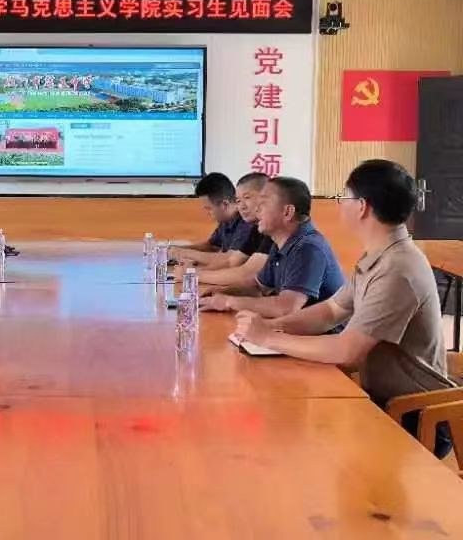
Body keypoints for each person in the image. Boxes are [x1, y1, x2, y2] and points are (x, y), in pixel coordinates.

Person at [233, 160, 454, 457]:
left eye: (343, 198)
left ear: (362, 207)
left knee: (296, 447)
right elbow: (332, 310)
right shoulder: (380, 255)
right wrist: (273, 326)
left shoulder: (398, 268)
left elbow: (347, 350)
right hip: (384, 401)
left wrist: (268, 338)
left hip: (414, 416)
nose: (340, 205)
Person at [201, 177, 345, 318]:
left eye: (263, 203)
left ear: (287, 212)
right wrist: (221, 292)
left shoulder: (308, 248)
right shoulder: (280, 242)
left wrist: (229, 301)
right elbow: (259, 287)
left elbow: (286, 308)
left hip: (324, 333)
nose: (256, 209)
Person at [194, 172, 272, 293]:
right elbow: (232, 262)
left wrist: (193, 275)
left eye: (247, 198)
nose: (241, 207)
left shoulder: (276, 229)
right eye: (238, 201)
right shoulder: (258, 228)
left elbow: (247, 274)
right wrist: (194, 272)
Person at [170, 172, 255, 270]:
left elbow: (230, 259)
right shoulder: (225, 219)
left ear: (224, 204)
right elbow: (212, 246)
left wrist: (185, 253)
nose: (207, 213)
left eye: (209, 208)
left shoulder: (247, 221)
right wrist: (176, 249)